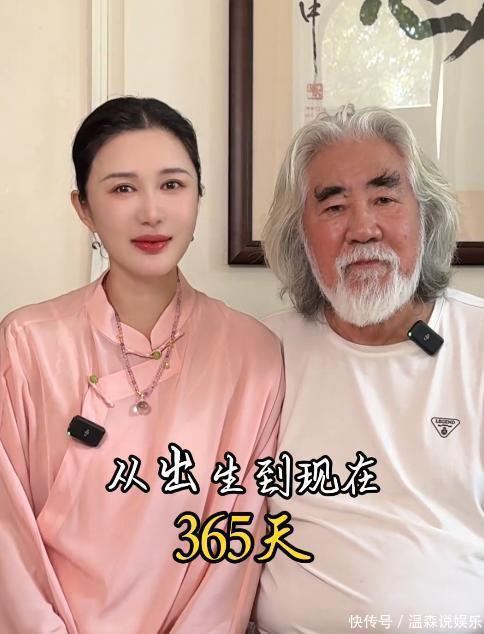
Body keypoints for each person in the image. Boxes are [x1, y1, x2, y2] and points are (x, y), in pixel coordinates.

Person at [0, 97, 284, 634]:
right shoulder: (26, 343)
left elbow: (234, 552)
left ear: (198, 196)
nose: (151, 211)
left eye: (172, 185)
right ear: (84, 208)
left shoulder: (252, 355)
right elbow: (7, 542)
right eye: (122, 189)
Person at [254, 106, 484, 633]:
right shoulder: (263, 353)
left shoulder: (482, 345)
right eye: (334, 206)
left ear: (426, 216)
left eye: (385, 199)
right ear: (299, 234)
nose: (363, 229)